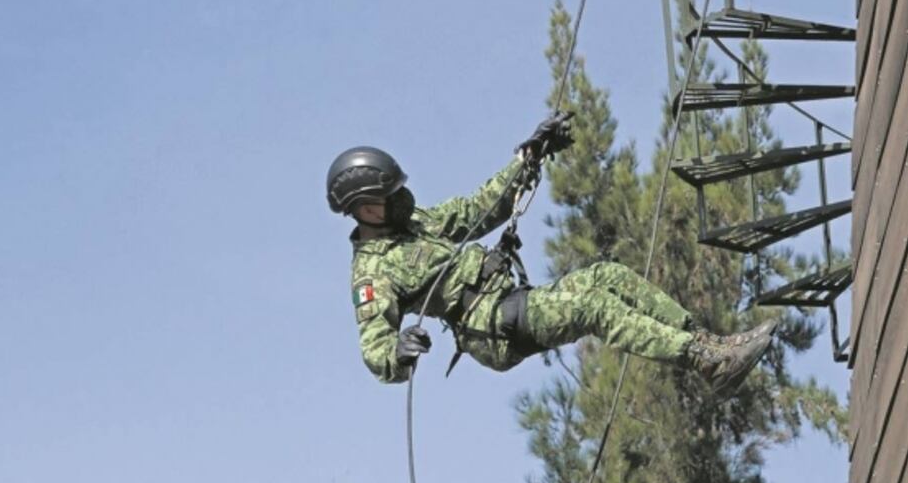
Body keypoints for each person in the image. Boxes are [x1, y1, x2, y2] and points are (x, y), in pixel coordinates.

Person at [327, 113, 775, 392]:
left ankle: (708, 345)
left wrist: (530, 154)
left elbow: (481, 207)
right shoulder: (372, 273)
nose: (404, 200)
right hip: (491, 328)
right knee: (594, 306)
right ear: (365, 209)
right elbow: (374, 348)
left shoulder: (416, 224)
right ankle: (704, 361)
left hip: (508, 303)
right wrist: (397, 354)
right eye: (391, 195)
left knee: (609, 277)